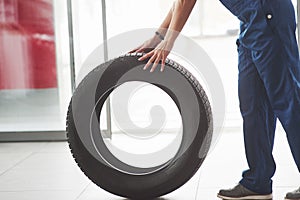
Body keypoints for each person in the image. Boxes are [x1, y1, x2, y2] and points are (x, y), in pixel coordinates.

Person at [131, 0, 300, 199]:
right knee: (253, 105)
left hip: (267, 15)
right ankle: (258, 181)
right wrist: (158, 36)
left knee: (288, 102)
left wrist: (168, 42)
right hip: (251, 22)